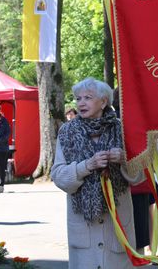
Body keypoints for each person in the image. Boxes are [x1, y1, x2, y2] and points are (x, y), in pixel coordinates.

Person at [51, 78, 142, 269]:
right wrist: (87, 165)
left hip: (117, 230)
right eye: (78, 98)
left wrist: (124, 159)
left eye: (88, 98)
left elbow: (140, 176)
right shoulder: (66, 132)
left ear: (103, 102)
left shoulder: (122, 129)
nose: (81, 102)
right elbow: (58, 177)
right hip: (84, 232)